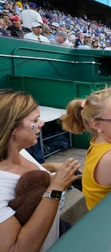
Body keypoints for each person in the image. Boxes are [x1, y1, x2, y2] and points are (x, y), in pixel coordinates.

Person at [0, 89, 81, 252]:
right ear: (12, 129)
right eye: (35, 120)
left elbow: (20, 174)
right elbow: (16, 249)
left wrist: (51, 167)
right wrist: (55, 189)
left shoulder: (19, 151)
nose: (41, 123)